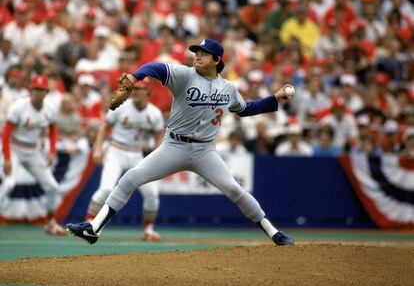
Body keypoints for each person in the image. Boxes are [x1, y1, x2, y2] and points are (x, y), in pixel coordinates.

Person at [66, 38, 295, 246]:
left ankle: (273, 232)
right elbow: (155, 67)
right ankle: (94, 228)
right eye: (196, 51)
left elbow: (246, 109)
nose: (197, 55)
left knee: (234, 190)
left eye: (204, 53)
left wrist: (274, 98)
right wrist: (136, 76)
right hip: (173, 146)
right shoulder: (185, 75)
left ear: (216, 59)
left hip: (205, 151)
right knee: (130, 178)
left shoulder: (228, 88)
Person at [87, 78, 165, 241]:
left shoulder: (154, 113)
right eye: (134, 89)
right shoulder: (120, 106)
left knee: (151, 192)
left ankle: (148, 230)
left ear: (148, 92)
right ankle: (89, 223)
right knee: (107, 189)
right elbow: (104, 126)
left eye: (140, 89)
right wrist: (98, 148)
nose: (136, 92)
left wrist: (157, 154)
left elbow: (159, 134)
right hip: (116, 150)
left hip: (137, 154)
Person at [0, 75, 65, 235]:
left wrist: (52, 151)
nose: (38, 93)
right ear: (31, 90)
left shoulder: (49, 108)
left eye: (42, 90)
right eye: (36, 89)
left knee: (52, 187)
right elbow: (6, 135)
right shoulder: (19, 107)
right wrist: (7, 158)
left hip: (32, 151)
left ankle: (50, 222)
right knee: (8, 184)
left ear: (46, 92)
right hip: (15, 149)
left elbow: (53, 131)